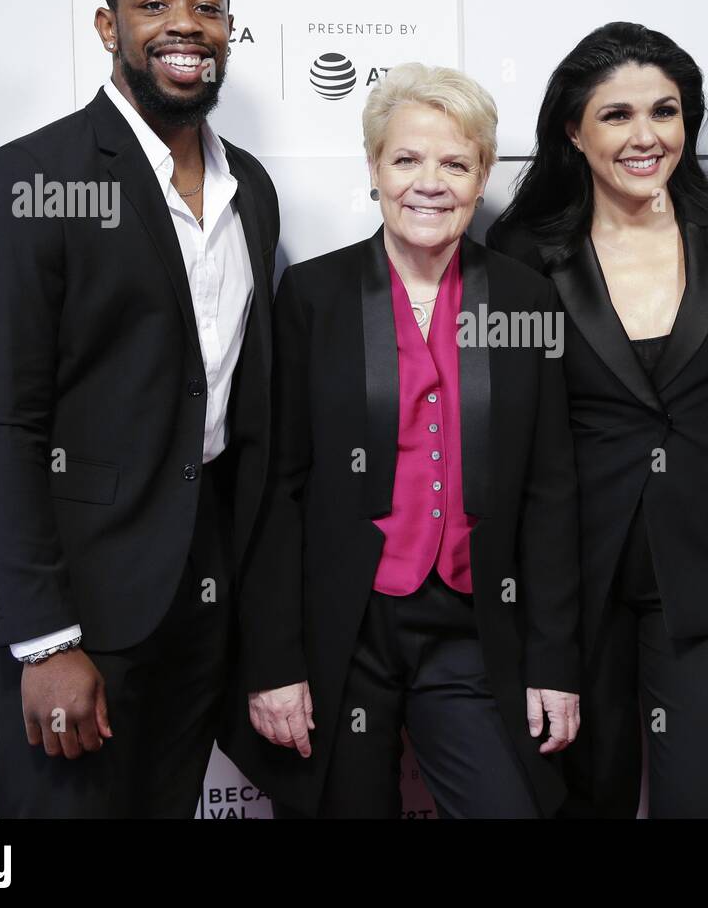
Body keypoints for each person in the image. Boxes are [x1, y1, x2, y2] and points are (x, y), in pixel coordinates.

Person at [0, 0, 281, 818]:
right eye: (154, 2)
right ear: (109, 26)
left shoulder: (250, 187)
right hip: (79, 608)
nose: (186, 23)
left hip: (197, 600)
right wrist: (44, 640)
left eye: (208, 5)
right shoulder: (34, 177)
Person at [220, 63, 581, 818]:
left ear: (482, 179)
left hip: (471, 627)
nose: (430, 182)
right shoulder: (314, 298)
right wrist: (275, 661)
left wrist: (554, 663)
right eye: (407, 159)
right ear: (375, 169)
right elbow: (275, 490)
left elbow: (550, 489)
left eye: (456, 162)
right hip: (344, 632)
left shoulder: (524, 297)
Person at [488, 22, 708, 818]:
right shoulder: (523, 249)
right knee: (588, 801)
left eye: (666, 110)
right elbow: (515, 427)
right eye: (616, 115)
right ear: (572, 131)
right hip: (574, 575)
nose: (646, 135)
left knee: (703, 805)